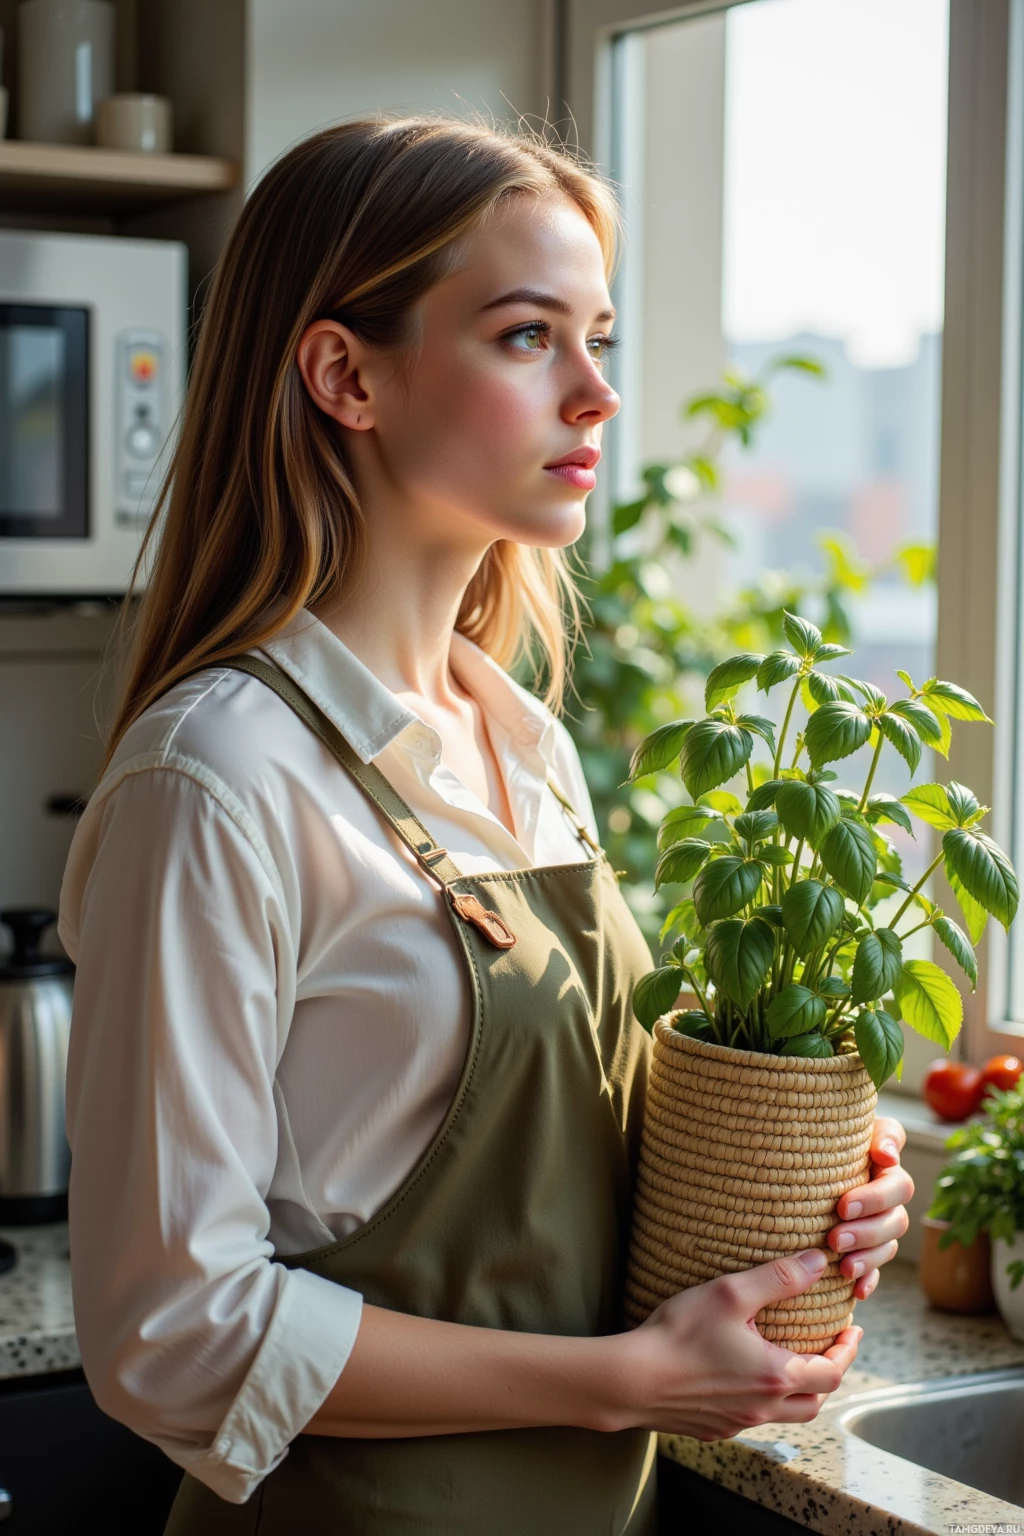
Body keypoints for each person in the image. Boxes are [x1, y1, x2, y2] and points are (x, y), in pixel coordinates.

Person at [59, 115, 913, 1535]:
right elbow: (170, 1330)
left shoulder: (521, 736)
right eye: (528, 337)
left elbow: (545, 1185)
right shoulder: (216, 779)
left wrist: (799, 1199)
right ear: (346, 375)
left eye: (602, 340)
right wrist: (618, 1383)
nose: (597, 396)